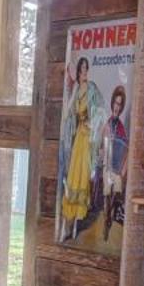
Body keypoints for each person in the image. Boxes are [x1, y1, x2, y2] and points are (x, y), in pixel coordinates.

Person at [58, 56, 99, 240]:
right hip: (77, 138)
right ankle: (69, 222)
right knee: (73, 175)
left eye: (85, 69)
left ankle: (76, 225)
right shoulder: (76, 89)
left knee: (83, 175)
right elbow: (68, 113)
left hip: (87, 138)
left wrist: (93, 123)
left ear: (87, 71)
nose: (83, 72)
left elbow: (101, 110)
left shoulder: (92, 89)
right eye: (80, 69)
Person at [99, 85, 128, 229]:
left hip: (116, 168)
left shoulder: (122, 128)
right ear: (112, 104)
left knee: (117, 188)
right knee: (106, 190)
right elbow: (101, 146)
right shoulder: (107, 124)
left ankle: (111, 213)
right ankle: (106, 217)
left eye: (120, 104)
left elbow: (125, 149)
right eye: (116, 103)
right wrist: (102, 150)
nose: (117, 106)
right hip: (106, 165)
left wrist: (123, 169)